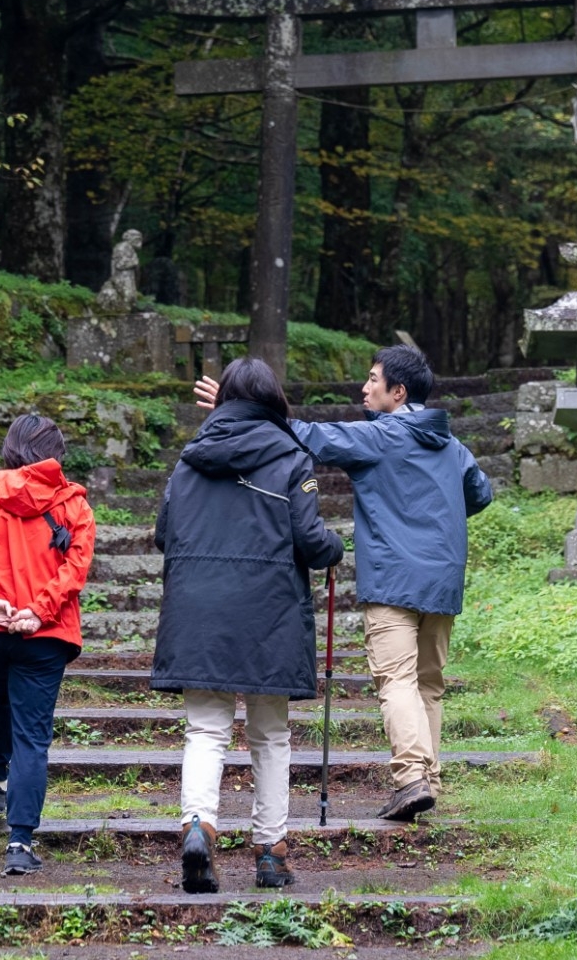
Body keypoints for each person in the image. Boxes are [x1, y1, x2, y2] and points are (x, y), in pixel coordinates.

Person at [194, 344, 492, 824]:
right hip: (443, 577)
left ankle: (411, 777)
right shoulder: (452, 445)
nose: (364, 387)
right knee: (428, 684)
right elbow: (480, 493)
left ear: (398, 392)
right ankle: (429, 778)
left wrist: (243, 411)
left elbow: (311, 437)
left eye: (373, 380)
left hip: (394, 577)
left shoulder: (381, 436)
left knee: (396, 679)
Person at [155, 358, 345, 893]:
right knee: (270, 735)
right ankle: (270, 851)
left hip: (199, 610)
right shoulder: (291, 458)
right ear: (274, 400)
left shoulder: (189, 460)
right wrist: (334, 548)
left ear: (222, 403)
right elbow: (310, 540)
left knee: (206, 730)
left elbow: (164, 534)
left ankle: (198, 826)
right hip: (269, 612)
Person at [0, 412, 98, 876]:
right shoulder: (74, 507)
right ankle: (20, 843)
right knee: (32, 736)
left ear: (11, 449)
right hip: (43, 636)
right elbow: (76, 569)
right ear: (55, 455)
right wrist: (38, 610)